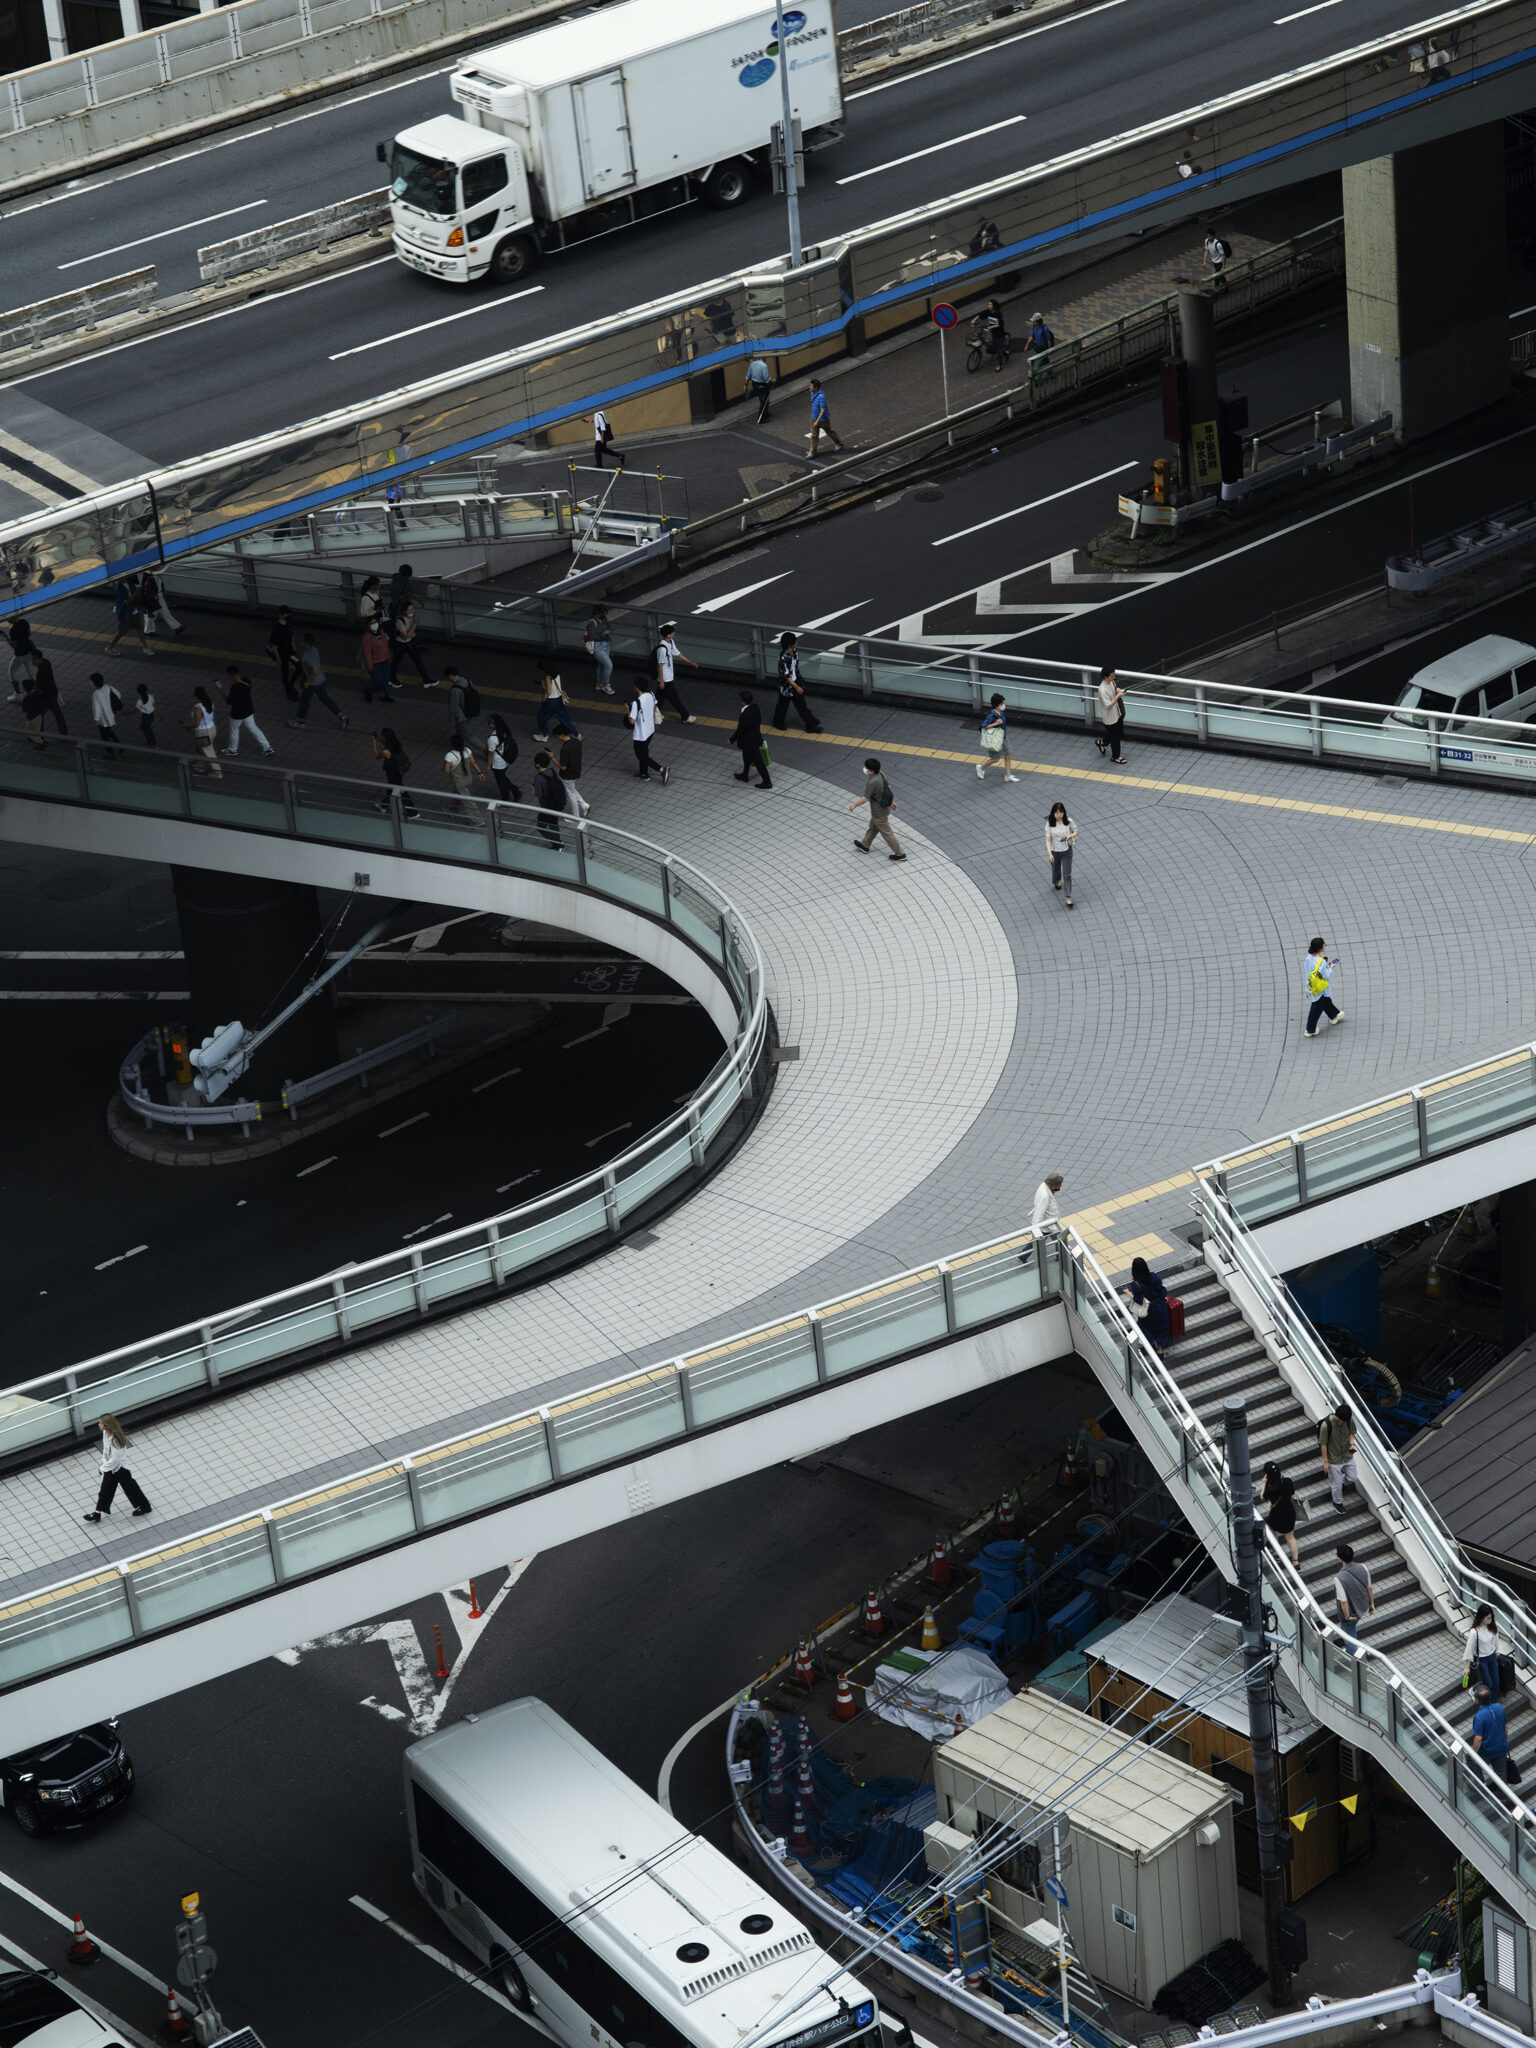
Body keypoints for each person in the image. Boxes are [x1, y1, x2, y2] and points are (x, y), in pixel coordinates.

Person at [82, 1414, 150, 1523]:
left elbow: (115, 1459)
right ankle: (97, 1513)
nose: (99, 1424)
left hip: (120, 1469)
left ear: (107, 1425)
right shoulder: (105, 1433)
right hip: (110, 1467)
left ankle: (145, 1506)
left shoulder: (116, 1440)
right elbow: (105, 1450)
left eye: (101, 1423)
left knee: (130, 1488)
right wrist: (104, 1461)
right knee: (105, 1490)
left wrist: (102, 1468)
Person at [288, 636, 349, 730]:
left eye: (302, 641)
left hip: (313, 683)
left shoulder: (308, 657)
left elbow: (315, 671)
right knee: (325, 699)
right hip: (321, 680)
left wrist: (308, 681)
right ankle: (342, 716)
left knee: (304, 701)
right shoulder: (314, 650)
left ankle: (299, 721)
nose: (300, 643)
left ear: (305, 643)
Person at [850, 757, 904, 860]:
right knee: (873, 826)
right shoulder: (882, 774)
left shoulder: (872, 782)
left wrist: (854, 805)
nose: (865, 769)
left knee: (887, 833)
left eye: (867, 768)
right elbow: (888, 788)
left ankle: (900, 854)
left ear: (871, 771)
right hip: (884, 808)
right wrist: (892, 802)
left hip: (879, 812)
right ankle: (865, 845)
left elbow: (865, 798)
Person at [218, 666, 275, 757]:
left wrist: (221, 691)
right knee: (253, 728)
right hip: (248, 710)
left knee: (234, 730)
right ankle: (267, 747)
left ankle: (232, 750)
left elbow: (228, 702)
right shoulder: (246, 680)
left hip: (237, 713)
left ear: (231, 675)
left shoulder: (234, 687)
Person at [773, 632, 822, 732]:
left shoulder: (795, 652)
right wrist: (797, 687)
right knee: (783, 706)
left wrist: (799, 681)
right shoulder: (783, 657)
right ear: (790, 644)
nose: (796, 642)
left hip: (795, 682)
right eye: (795, 641)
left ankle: (810, 725)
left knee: (801, 705)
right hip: (786, 686)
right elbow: (786, 676)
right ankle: (778, 722)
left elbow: (795, 668)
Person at [653, 625, 698, 723]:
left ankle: (653, 714)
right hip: (665, 678)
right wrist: (661, 681)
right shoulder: (662, 649)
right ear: (668, 635)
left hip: (667, 677)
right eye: (672, 632)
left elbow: (678, 653)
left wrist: (690, 662)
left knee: (660, 698)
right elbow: (660, 665)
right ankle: (685, 717)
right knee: (674, 699)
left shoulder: (671, 642)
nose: (674, 633)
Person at [1127, 1256, 1171, 1353]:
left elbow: (1139, 1300)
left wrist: (1130, 1294)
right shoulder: (1154, 1276)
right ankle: (1160, 1348)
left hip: (1148, 1311)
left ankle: (1150, 1342)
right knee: (1161, 1327)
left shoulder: (1135, 1284)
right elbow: (1163, 1292)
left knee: (1145, 1326)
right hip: (1160, 1307)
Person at [627, 681, 669, 783]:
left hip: (641, 733)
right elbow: (653, 704)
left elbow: (631, 721)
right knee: (644, 751)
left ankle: (662, 769)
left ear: (637, 688)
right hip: (650, 729)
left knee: (640, 755)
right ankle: (644, 773)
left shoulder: (637, 703)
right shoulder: (651, 694)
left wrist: (628, 709)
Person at [1319, 1399, 1357, 1511]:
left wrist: (1351, 1443)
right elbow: (1323, 1444)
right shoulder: (1326, 1426)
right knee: (1336, 1484)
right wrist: (1326, 1462)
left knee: (1353, 1477)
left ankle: (1341, 1483)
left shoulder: (1348, 1420)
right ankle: (1337, 1502)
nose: (1343, 1423)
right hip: (1333, 1458)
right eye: (1342, 1422)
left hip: (1347, 1455)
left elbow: (1351, 1433)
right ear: (1337, 1418)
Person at [1260, 1463, 1300, 1566]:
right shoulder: (1287, 1481)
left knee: (1271, 1530)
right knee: (1290, 1537)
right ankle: (1296, 1563)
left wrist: (1264, 1483)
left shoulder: (1270, 1487)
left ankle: (1276, 1552)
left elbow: (1262, 1497)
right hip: (1289, 1512)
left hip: (1276, 1514)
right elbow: (1292, 1496)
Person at [1305, 937, 1345, 1038]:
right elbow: (1326, 975)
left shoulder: (1308, 958)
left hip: (1311, 985)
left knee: (1325, 1000)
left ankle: (1334, 1015)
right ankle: (1310, 1030)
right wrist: (1330, 968)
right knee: (1316, 1007)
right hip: (1319, 987)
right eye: (1324, 945)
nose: (1325, 946)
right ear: (1320, 948)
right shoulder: (1321, 962)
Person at [731, 689, 772, 788]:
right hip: (754, 739)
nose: (739, 700)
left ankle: (767, 782)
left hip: (750, 742)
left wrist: (731, 739)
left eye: (740, 699)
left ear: (743, 701)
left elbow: (740, 730)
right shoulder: (755, 708)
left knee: (759, 762)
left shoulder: (745, 715)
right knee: (746, 757)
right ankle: (745, 775)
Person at [388, 597, 431, 688]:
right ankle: (392, 679)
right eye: (410, 610)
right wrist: (415, 624)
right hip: (400, 644)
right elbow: (406, 635)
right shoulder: (399, 621)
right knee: (396, 662)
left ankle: (427, 680)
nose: (412, 611)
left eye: (413, 609)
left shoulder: (411, 617)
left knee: (418, 661)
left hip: (410, 643)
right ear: (404, 611)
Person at [372, 728, 416, 816]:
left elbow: (377, 756)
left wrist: (374, 742)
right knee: (391, 788)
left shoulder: (385, 751)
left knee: (401, 791)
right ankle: (383, 805)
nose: (380, 736)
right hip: (399, 769)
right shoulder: (396, 743)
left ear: (385, 737)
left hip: (392, 771)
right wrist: (378, 738)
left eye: (381, 735)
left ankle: (413, 813)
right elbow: (386, 744)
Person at [1334, 1543, 1373, 1641]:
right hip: (1363, 1606)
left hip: (1351, 1612)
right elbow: (1369, 1588)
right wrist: (1371, 1604)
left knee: (1349, 1637)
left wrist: (1347, 1617)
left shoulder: (1338, 1578)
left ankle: (1353, 1650)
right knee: (1351, 1631)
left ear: (1340, 1559)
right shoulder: (1363, 1567)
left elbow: (1343, 1601)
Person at [1472, 1684, 1511, 1782]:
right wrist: (1505, 1741)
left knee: (1470, 1758)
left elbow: (1478, 1739)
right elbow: (1505, 1727)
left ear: (1477, 1701)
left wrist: (1474, 1754)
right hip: (1501, 1747)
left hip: (1487, 1750)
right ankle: (1503, 1792)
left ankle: (1480, 1783)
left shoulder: (1479, 1716)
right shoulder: (1498, 1707)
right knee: (1501, 1774)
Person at [104, 578, 151, 658]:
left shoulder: (128, 582)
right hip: (125, 612)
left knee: (139, 629)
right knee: (122, 631)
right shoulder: (119, 586)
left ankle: (146, 647)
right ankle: (109, 647)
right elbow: (125, 601)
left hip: (133, 610)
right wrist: (135, 593)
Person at [534, 661, 579, 743]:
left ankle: (544, 735)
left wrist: (543, 685)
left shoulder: (548, 677)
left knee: (542, 717)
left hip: (551, 702)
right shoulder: (557, 675)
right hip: (559, 699)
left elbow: (549, 692)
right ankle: (577, 735)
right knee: (564, 718)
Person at [532, 749, 568, 849]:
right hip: (556, 804)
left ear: (538, 764)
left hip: (546, 807)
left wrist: (534, 789)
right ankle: (558, 843)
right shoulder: (551, 771)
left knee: (540, 827)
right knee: (553, 824)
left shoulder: (539, 778)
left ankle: (558, 844)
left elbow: (539, 794)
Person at [977, 692, 1016, 782]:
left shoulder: (1001, 712)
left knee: (1008, 755)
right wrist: (995, 723)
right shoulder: (991, 716)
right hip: (995, 740)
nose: (1003, 706)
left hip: (1004, 738)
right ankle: (981, 768)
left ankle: (1008, 775)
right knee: (995, 759)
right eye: (1002, 704)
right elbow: (984, 726)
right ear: (996, 705)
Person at [184, 685, 222, 776]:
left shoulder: (198, 708)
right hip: (212, 729)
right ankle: (201, 765)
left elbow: (196, 724)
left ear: (196, 697)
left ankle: (218, 773)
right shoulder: (209, 702)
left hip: (203, 733)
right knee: (202, 748)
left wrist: (187, 725)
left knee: (209, 752)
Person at [266, 606, 302, 700]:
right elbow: (274, 645)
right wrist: (278, 658)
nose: (287, 615)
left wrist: (293, 645)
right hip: (282, 653)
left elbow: (291, 635)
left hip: (290, 651)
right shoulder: (276, 628)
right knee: (285, 673)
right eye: (285, 614)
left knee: (300, 666)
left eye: (288, 613)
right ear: (280, 615)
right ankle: (289, 693)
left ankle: (290, 684)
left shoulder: (289, 623)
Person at [1466, 1606, 1503, 1697]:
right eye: (1488, 1618)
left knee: (1496, 1682)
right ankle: (1474, 1689)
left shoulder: (1492, 1625)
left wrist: (1497, 1651)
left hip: (1492, 1656)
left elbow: (1496, 1638)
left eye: (1491, 1617)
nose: (1490, 1620)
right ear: (1481, 1617)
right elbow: (1469, 1649)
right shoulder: (1474, 1632)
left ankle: (1493, 1701)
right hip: (1482, 1660)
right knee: (1488, 1683)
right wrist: (1467, 1667)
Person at [1045, 800, 1076, 907]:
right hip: (1055, 851)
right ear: (1053, 813)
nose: (1059, 815)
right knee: (1056, 870)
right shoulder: (1049, 824)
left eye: (1061, 812)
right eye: (1057, 813)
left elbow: (1076, 831)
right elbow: (1048, 840)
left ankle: (1068, 897)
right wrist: (1050, 854)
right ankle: (1057, 881)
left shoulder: (1068, 821)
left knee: (1067, 875)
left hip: (1067, 850)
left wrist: (1069, 836)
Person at [484, 714, 520, 803]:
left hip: (497, 763)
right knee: (503, 778)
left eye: (489, 723)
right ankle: (516, 791)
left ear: (494, 724)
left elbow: (490, 754)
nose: (488, 724)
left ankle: (506, 798)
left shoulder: (492, 739)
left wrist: (488, 766)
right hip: (506, 759)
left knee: (501, 782)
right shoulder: (504, 731)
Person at [137, 567, 183, 636]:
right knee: (153, 614)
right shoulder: (149, 578)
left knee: (163, 612)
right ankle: (149, 630)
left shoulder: (155, 576)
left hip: (158, 596)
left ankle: (176, 627)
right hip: (153, 597)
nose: (157, 568)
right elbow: (147, 591)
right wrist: (153, 597)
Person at [1095, 667, 1127, 762]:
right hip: (1110, 717)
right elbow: (1108, 706)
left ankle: (1102, 742)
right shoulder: (1102, 690)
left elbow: (1114, 689)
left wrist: (1117, 690)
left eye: (1114, 675)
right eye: (1112, 676)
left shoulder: (1112, 682)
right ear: (1106, 676)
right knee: (1115, 738)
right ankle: (1115, 757)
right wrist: (1118, 696)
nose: (1114, 677)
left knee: (1117, 733)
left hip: (1117, 713)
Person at [359, 619, 394, 704]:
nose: (374, 625)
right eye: (371, 623)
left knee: (385, 680)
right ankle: (368, 690)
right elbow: (367, 653)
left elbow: (386, 645)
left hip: (385, 660)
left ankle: (384, 696)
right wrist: (370, 666)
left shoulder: (381, 631)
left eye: (375, 622)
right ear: (368, 626)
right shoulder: (367, 637)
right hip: (375, 662)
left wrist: (388, 657)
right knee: (378, 680)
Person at [443, 664, 478, 747]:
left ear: (451, 676)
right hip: (470, 710)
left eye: (448, 677)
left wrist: (453, 719)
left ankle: (486, 750)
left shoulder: (455, 689)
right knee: (459, 731)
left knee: (467, 735)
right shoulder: (467, 681)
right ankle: (459, 746)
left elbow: (454, 706)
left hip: (462, 716)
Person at [808, 379, 844, 458]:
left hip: (823, 420)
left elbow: (823, 410)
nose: (809, 387)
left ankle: (839, 444)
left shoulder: (821, 397)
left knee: (829, 432)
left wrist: (817, 421)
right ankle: (813, 452)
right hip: (814, 417)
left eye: (811, 386)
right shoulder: (812, 393)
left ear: (816, 388)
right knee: (814, 435)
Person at [442, 740, 484, 810]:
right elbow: (474, 763)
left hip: (459, 782)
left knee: (468, 802)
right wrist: (480, 773)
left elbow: (446, 770)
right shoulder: (467, 750)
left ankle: (477, 816)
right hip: (468, 779)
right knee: (457, 793)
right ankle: (454, 807)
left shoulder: (450, 755)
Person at [584, 605, 615, 695]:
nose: (605, 615)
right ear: (598, 613)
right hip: (597, 646)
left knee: (602, 664)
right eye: (603, 613)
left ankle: (599, 683)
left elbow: (608, 626)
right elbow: (592, 637)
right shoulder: (592, 623)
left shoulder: (604, 619)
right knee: (609, 665)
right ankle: (606, 684)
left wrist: (608, 630)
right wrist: (604, 633)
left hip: (606, 644)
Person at [89, 671, 123, 754]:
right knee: (108, 731)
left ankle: (110, 752)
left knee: (104, 736)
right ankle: (119, 746)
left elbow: (97, 708)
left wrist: (96, 720)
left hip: (103, 718)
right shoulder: (108, 687)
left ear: (93, 683)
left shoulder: (96, 694)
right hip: (111, 713)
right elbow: (118, 694)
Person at [558, 729, 589, 817]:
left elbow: (563, 767)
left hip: (568, 775)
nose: (558, 738)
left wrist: (552, 758)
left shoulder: (564, 749)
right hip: (576, 771)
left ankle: (575, 816)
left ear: (562, 735)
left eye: (558, 736)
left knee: (571, 794)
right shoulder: (576, 742)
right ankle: (584, 805)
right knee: (572, 789)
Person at [33, 654, 66, 735]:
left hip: (45, 697)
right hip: (53, 693)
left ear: (38, 659)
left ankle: (40, 735)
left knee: (39, 716)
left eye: (33, 660)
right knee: (58, 715)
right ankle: (64, 733)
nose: (32, 662)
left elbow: (41, 687)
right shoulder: (46, 662)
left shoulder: (41, 673)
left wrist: (35, 686)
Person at [980, 298, 1008, 371]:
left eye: (990, 305)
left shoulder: (998, 314)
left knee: (998, 350)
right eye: (988, 304)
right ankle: (1005, 352)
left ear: (994, 306)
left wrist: (991, 327)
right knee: (994, 347)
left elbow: (1001, 324)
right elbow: (981, 315)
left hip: (999, 333)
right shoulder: (988, 311)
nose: (989, 306)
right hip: (994, 333)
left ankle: (999, 365)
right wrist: (973, 320)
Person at [746, 353, 774, 423]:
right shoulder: (764, 366)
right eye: (766, 357)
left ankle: (765, 413)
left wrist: (746, 384)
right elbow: (766, 379)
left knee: (762, 399)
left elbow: (748, 375)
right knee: (764, 402)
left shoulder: (752, 364)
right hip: (762, 385)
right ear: (763, 357)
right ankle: (760, 419)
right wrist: (773, 380)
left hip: (755, 384)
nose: (766, 358)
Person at [19, 675, 43, 748]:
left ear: (24, 689)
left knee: (30, 733)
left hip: (31, 718)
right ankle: (39, 742)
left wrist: (21, 704)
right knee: (36, 730)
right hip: (38, 715)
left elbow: (25, 709)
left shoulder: (26, 699)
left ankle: (41, 744)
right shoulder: (36, 694)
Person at [135, 681, 157, 748]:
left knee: (144, 727)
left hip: (145, 716)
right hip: (151, 715)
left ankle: (152, 742)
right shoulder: (151, 696)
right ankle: (151, 741)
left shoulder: (139, 702)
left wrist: (127, 713)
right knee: (147, 727)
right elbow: (155, 705)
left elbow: (134, 711)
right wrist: (161, 715)